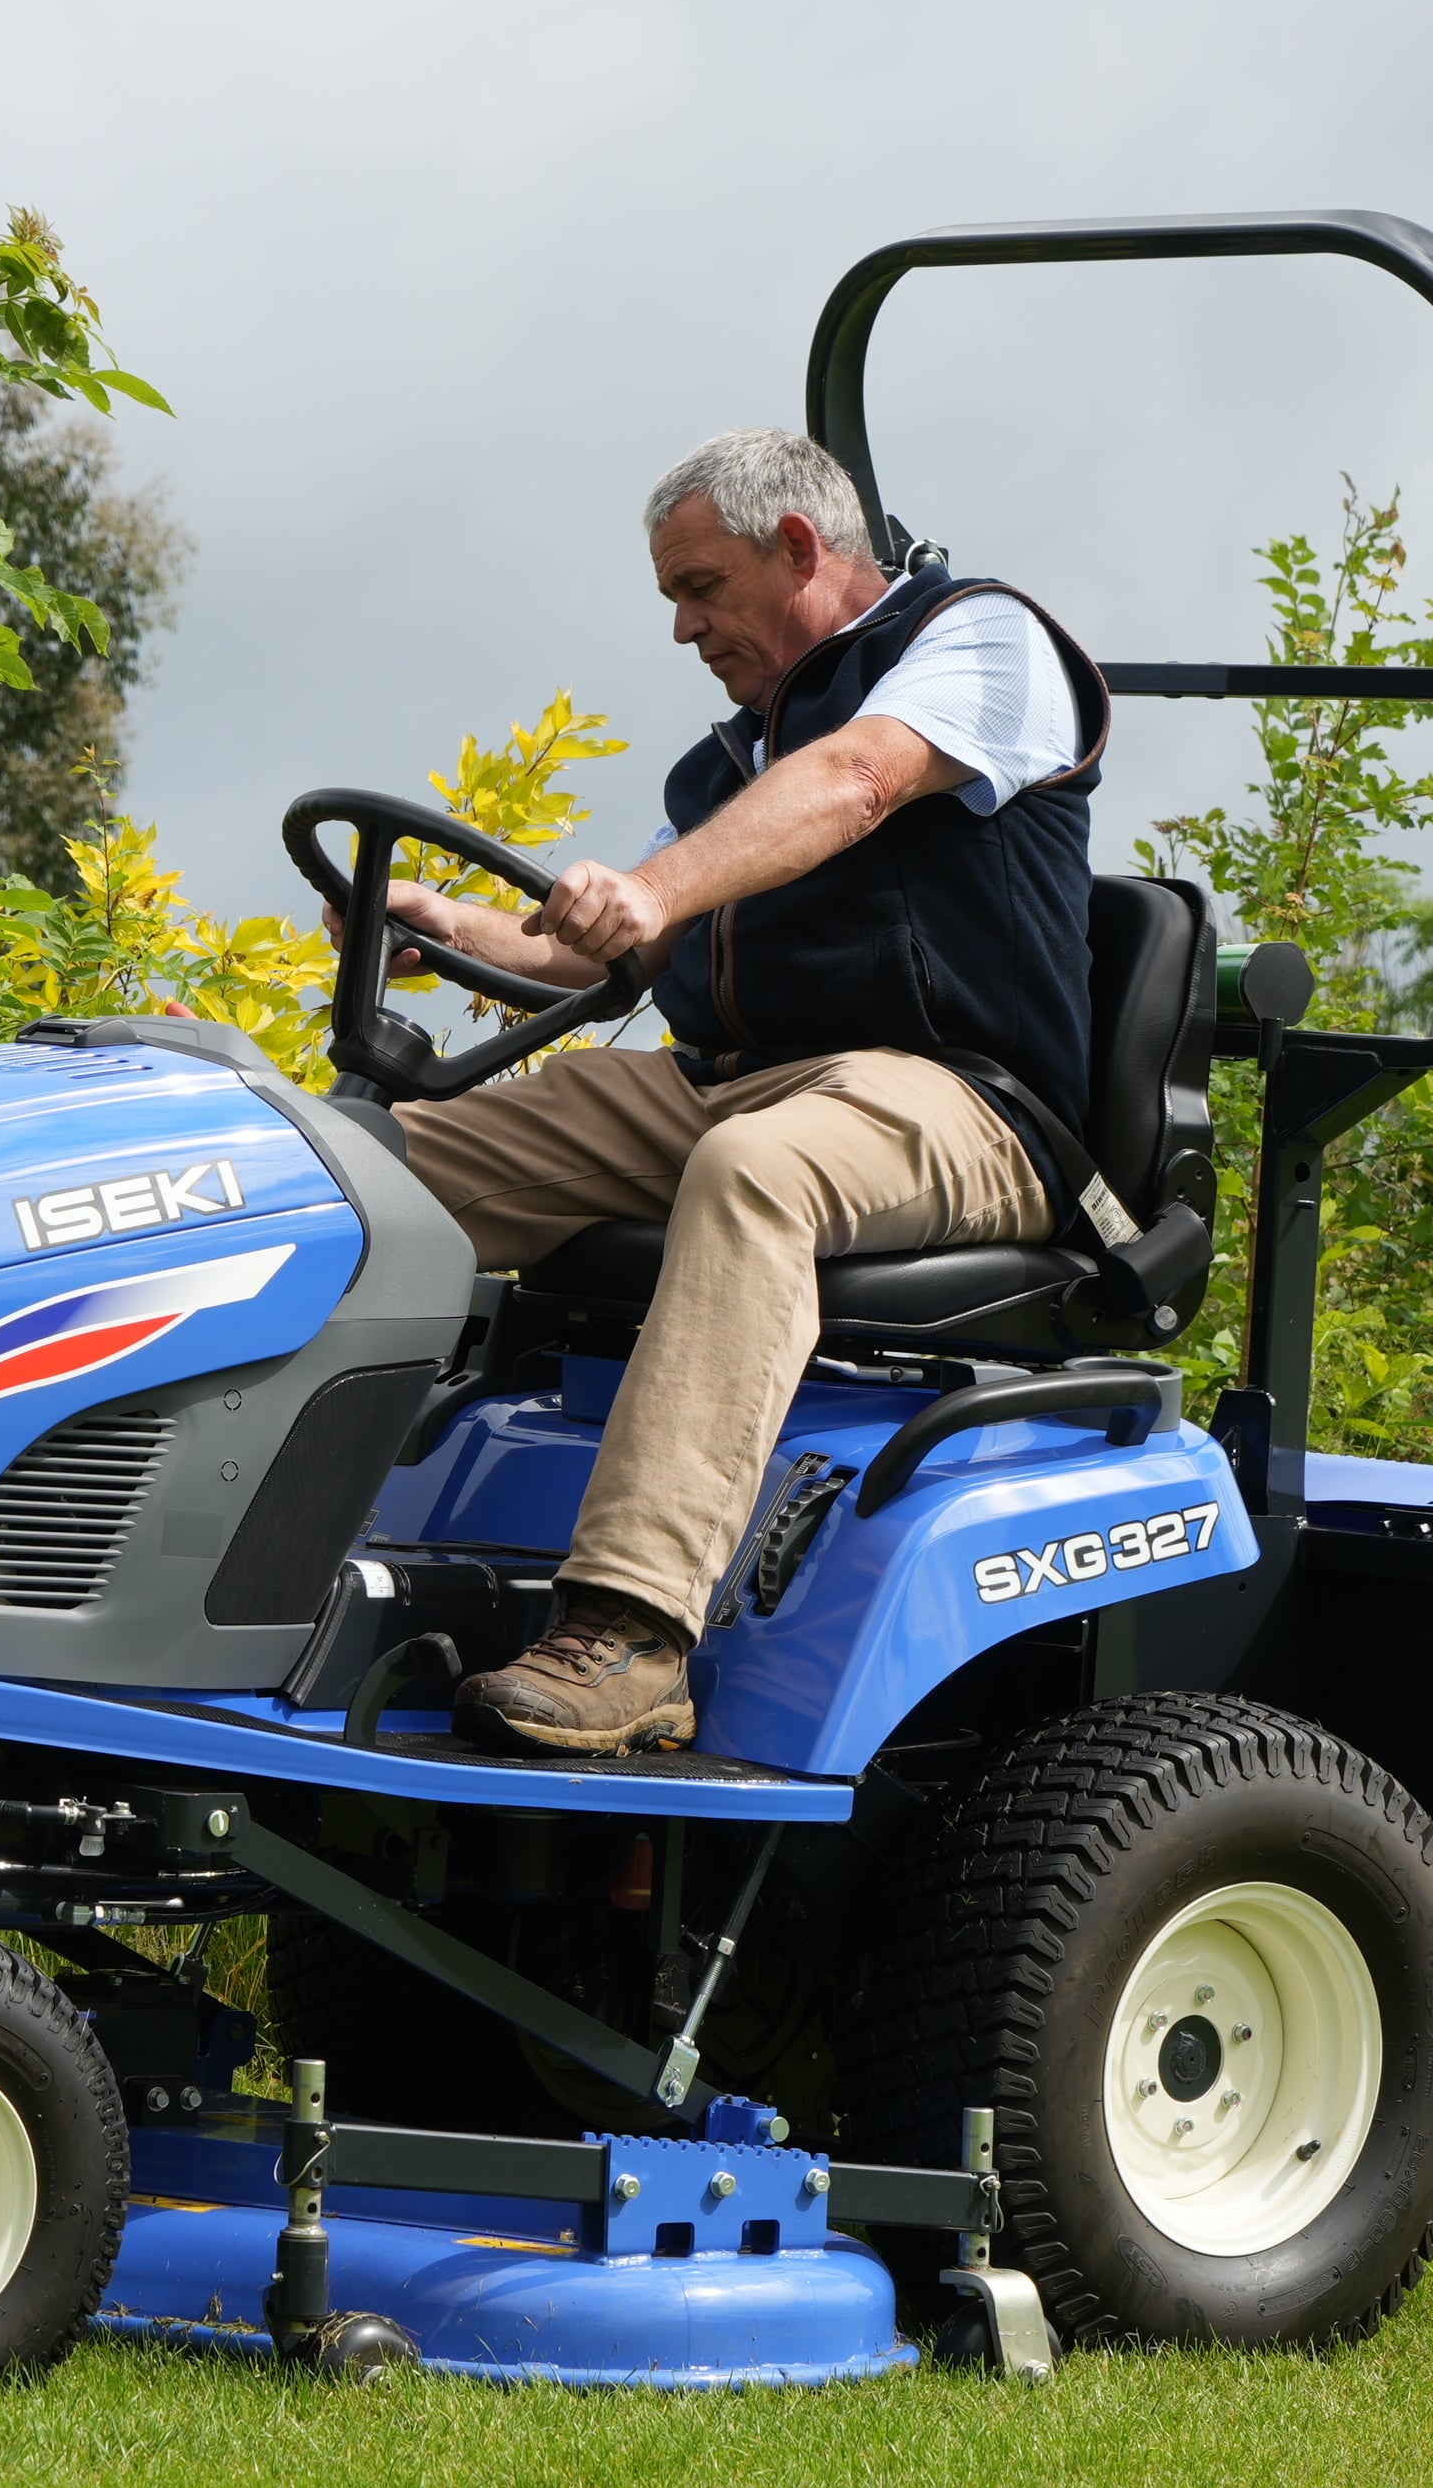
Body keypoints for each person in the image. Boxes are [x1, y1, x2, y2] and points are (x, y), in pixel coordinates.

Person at [359, 426, 1111, 1753]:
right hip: (737, 1084)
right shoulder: (733, 765)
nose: (683, 628)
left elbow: (860, 782)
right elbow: (610, 948)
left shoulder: (983, 643)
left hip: (963, 1102)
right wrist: (445, 924)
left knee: (757, 1173)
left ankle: (635, 1632)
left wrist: (653, 888)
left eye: (700, 589)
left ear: (801, 548)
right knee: (365, 1167)